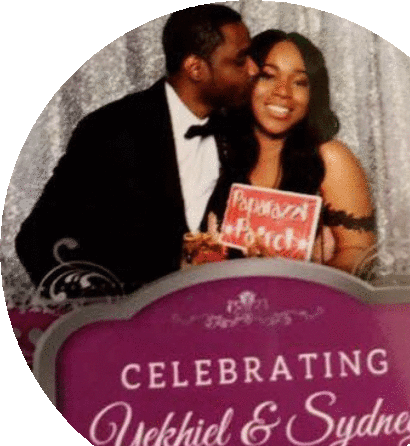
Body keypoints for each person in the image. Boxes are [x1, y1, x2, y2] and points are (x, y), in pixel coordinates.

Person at [15, 5, 258, 297]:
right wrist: (109, 309)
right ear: (195, 68)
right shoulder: (113, 130)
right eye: (241, 60)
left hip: (205, 316)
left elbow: (212, 239)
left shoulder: (235, 134)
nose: (253, 69)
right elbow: (36, 239)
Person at [218, 30, 376, 274]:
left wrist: (304, 283)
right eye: (268, 76)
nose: (283, 92)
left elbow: (359, 251)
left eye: (300, 82)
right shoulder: (218, 148)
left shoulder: (330, 158)